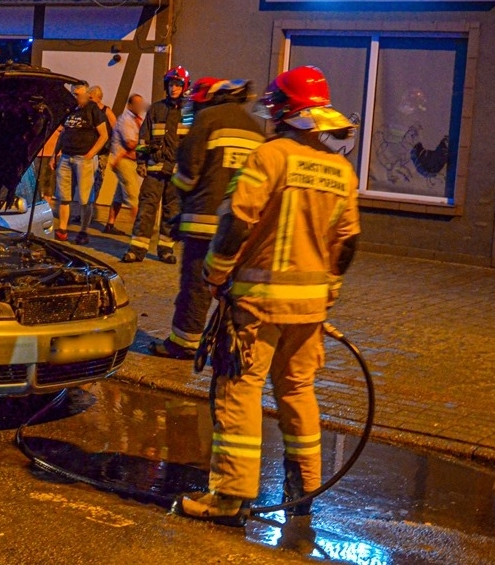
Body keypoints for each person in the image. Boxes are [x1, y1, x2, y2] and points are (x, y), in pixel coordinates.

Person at [174, 65, 360, 526]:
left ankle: (230, 496)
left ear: (284, 112)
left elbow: (238, 220)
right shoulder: (341, 169)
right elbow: (348, 242)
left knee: (239, 389)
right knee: (298, 391)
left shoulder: (271, 157)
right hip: (311, 306)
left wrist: (215, 276)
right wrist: (329, 293)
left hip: (257, 303)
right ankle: (303, 492)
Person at [151, 79, 266, 360]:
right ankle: (226, 346)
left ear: (207, 100)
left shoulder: (208, 119)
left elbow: (188, 174)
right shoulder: (254, 128)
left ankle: (183, 342)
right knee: (232, 289)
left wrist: (181, 201)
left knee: (196, 286)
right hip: (241, 226)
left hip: (203, 223)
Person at [122, 66, 189, 264]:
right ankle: (137, 250)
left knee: (172, 212)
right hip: (154, 169)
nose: (174, 88)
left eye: (178, 84)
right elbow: (144, 138)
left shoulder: (189, 112)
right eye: (171, 84)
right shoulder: (157, 109)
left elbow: (194, 140)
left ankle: (166, 250)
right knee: (146, 209)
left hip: (178, 172)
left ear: (184, 87)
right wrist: (141, 161)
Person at [52, 83, 108, 245]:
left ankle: (83, 231)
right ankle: (62, 229)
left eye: (78, 94)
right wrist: (55, 154)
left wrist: (91, 153)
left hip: (84, 159)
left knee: (85, 198)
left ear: (87, 94)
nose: (75, 97)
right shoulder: (70, 110)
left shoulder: (93, 110)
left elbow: (103, 135)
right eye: (73, 93)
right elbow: (63, 133)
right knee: (63, 197)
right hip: (67, 157)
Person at [102, 94, 147, 235]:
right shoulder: (126, 120)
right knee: (134, 196)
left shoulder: (135, 120)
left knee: (119, 195)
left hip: (127, 160)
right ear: (130, 105)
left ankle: (110, 224)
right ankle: (139, 231)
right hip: (124, 161)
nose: (140, 107)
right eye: (137, 104)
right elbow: (130, 142)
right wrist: (145, 144)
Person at [88, 85, 118, 224]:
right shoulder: (88, 111)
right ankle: (85, 210)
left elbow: (116, 129)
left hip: (102, 152)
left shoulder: (106, 111)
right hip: (89, 150)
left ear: (98, 98)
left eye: (91, 97)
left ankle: (91, 209)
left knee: (97, 180)